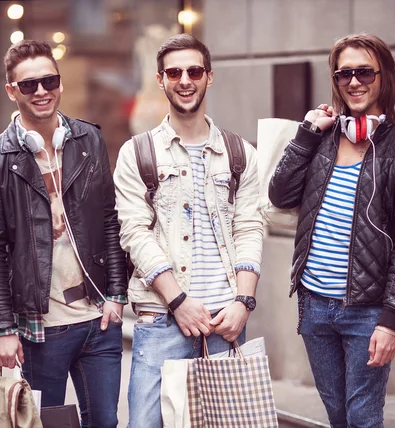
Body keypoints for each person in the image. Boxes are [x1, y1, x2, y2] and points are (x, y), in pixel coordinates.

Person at [269, 33, 395, 428]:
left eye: (364, 72)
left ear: (384, 77)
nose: (354, 82)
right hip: (314, 303)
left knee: (363, 416)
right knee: (337, 415)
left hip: (367, 310)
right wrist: (306, 134)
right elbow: (280, 192)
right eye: (345, 74)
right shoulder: (322, 138)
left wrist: (390, 320)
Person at [0, 40, 127, 428]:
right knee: (40, 424)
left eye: (49, 80)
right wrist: (3, 330)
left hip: (98, 321)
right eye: (28, 85)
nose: (41, 91)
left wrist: (117, 296)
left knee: (105, 423)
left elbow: (109, 219)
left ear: (59, 83)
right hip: (42, 329)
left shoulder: (87, 139)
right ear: (11, 91)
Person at [113, 33, 264, 427]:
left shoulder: (239, 153)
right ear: (160, 79)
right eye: (174, 72)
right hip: (162, 319)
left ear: (209, 77)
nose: (185, 80)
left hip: (225, 322)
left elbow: (250, 226)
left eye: (194, 71)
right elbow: (134, 233)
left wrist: (243, 303)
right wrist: (179, 301)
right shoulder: (138, 152)